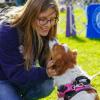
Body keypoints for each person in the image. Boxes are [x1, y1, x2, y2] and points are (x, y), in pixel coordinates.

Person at [0, 0, 59, 100]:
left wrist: (55, 64)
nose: (48, 25)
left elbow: (46, 60)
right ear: (30, 15)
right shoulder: (7, 31)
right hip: (3, 78)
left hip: (22, 75)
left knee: (47, 84)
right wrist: (45, 72)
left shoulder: (45, 29)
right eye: (42, 19)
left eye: (52, 19)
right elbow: (16, 73)